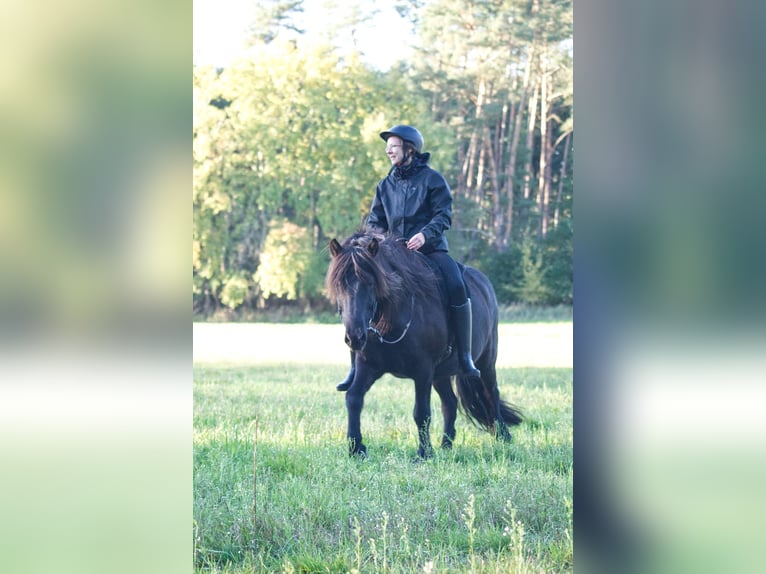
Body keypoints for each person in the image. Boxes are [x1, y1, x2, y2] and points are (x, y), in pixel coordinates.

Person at [336, 124, 481, 392]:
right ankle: (356, 366)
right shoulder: (384, 185)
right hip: (392, 255)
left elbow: (443, 215)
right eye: (387, 146)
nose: (388, 150)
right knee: (359, 292)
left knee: (457, 284)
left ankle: (464, 356)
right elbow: (375, 221)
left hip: (430, 250)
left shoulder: (433, 180)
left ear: (409, 148)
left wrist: (425, 235)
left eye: (393, 145)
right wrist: (374, 243)